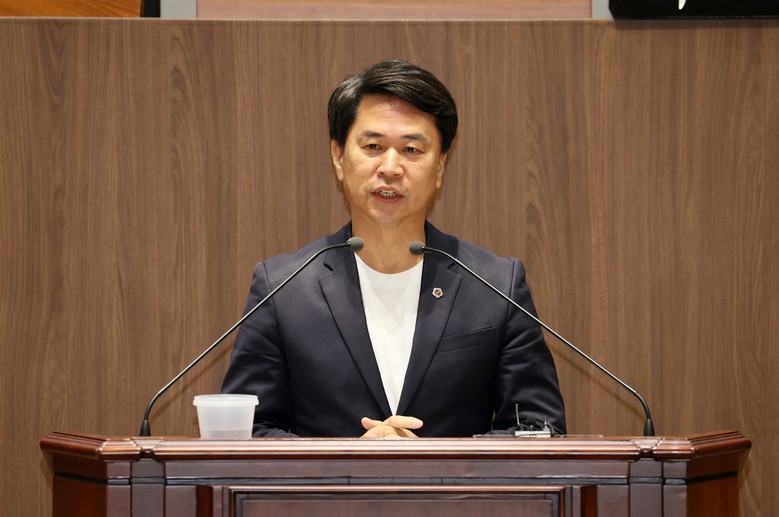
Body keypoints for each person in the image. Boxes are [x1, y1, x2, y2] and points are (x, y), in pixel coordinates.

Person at [221, 60, 566, 438]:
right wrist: (347, 460)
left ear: (440, 166)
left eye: (411, 149)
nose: (390, 167)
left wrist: (433, 460)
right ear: (338, 157)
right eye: (373, 146)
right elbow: (246, 432)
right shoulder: (283, 288)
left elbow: (539, 428)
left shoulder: (496, 286)